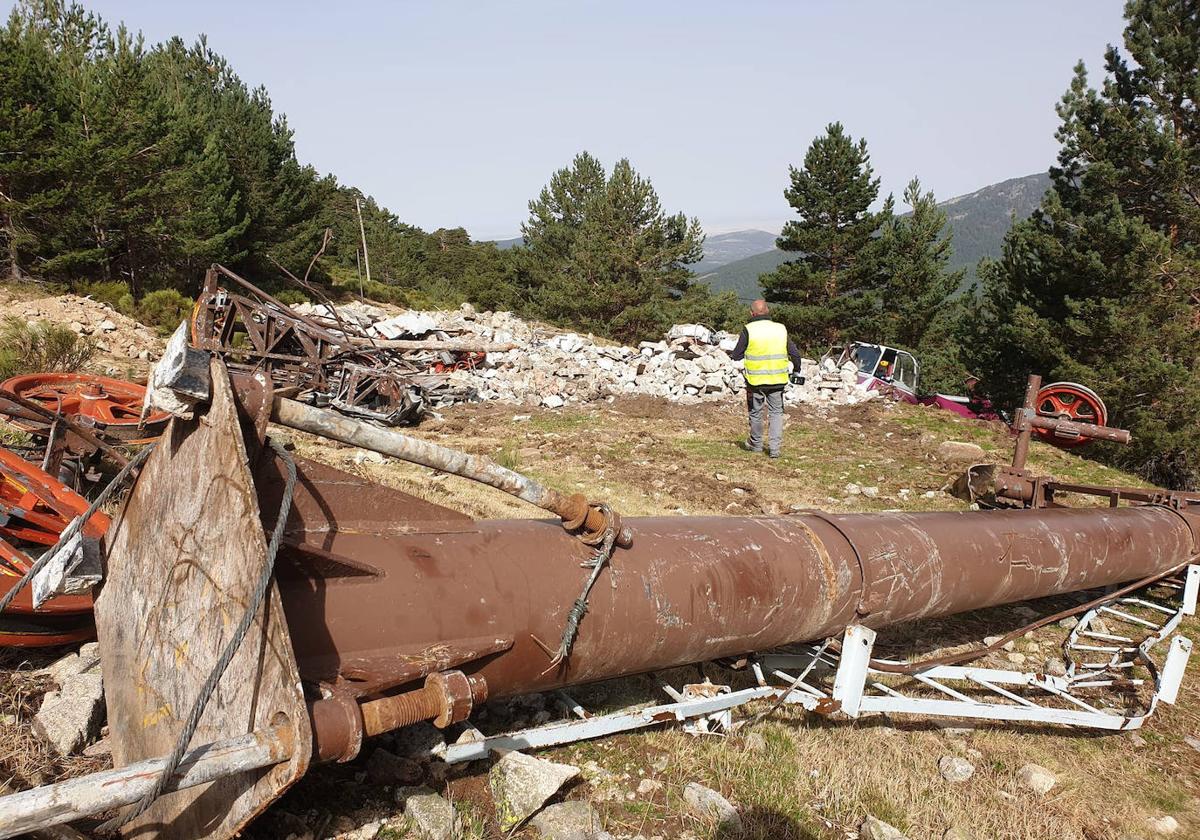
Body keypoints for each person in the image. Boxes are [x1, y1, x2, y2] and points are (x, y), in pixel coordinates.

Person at [728, 299, 805, 458]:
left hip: (755, 381)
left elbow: (736, 355)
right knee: (776, 413)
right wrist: (796, 370)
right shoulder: (780, 329)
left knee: (756, 412)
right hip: (777, 380)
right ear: (768, 311)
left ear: (752, 313)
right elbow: (795, 353)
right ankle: (775, 450)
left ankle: (756, 445)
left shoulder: (748, 330)